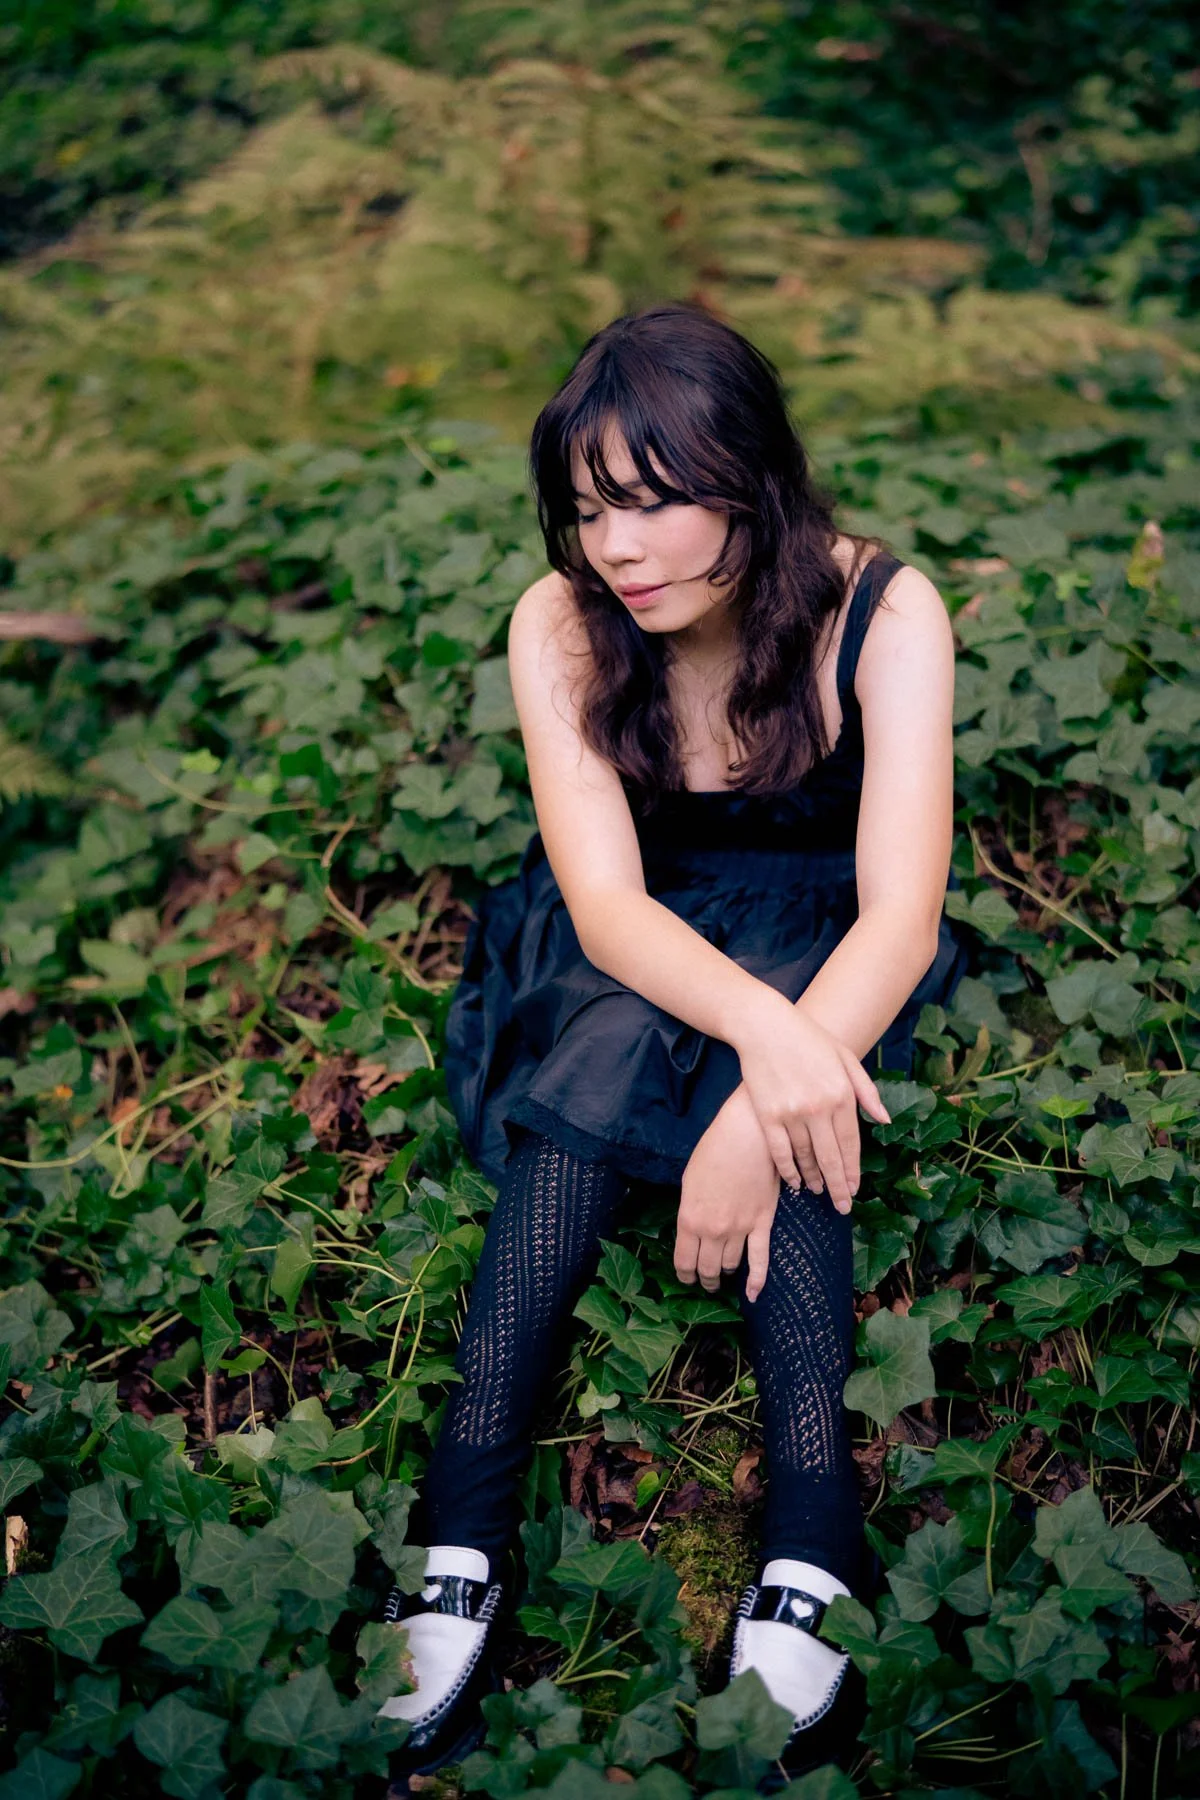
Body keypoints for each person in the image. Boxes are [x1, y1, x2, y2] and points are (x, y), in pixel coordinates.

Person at [376, 301, 969, 1783]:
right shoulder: (561, 622)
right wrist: (764, 1040)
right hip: (639, 939)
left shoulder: (883, 614)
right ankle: (462, 1530)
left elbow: (899, 919)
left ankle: (811, 1555)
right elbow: (609, 904)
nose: (614, 549)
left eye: (648, 504)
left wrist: (758, 1103)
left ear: (749, 481)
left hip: (831, 928)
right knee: (590, 1074)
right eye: (587, 511)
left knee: (807, 1126)